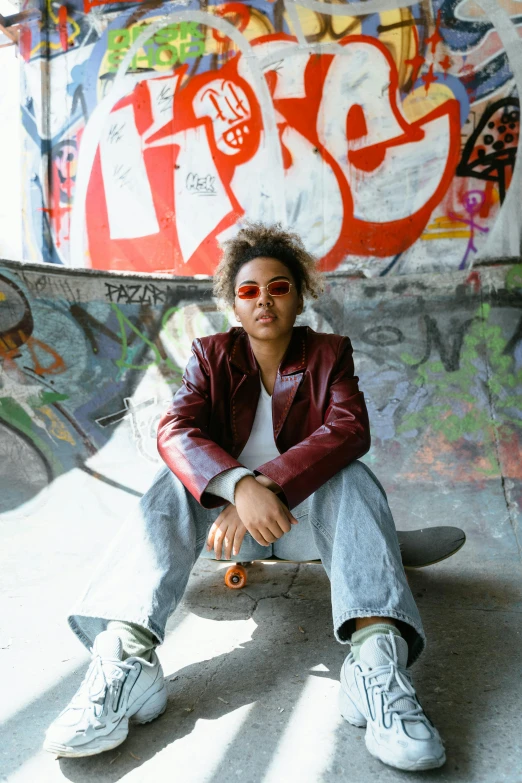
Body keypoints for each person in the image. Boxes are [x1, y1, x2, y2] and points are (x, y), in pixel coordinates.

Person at [44, 223, 446, 771]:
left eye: (278, 287)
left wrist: (268, 484)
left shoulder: (330, 354)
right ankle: (127, 661)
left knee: (351, 475)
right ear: (234, 303)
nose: (264, 301)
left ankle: (375, 667)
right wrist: (238, 486)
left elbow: (349, 429)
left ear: (300, 294)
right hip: (225, 533)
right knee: (169, 482)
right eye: (249, 290)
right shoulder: (210, 356)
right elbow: (175, 431)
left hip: (304, 524)